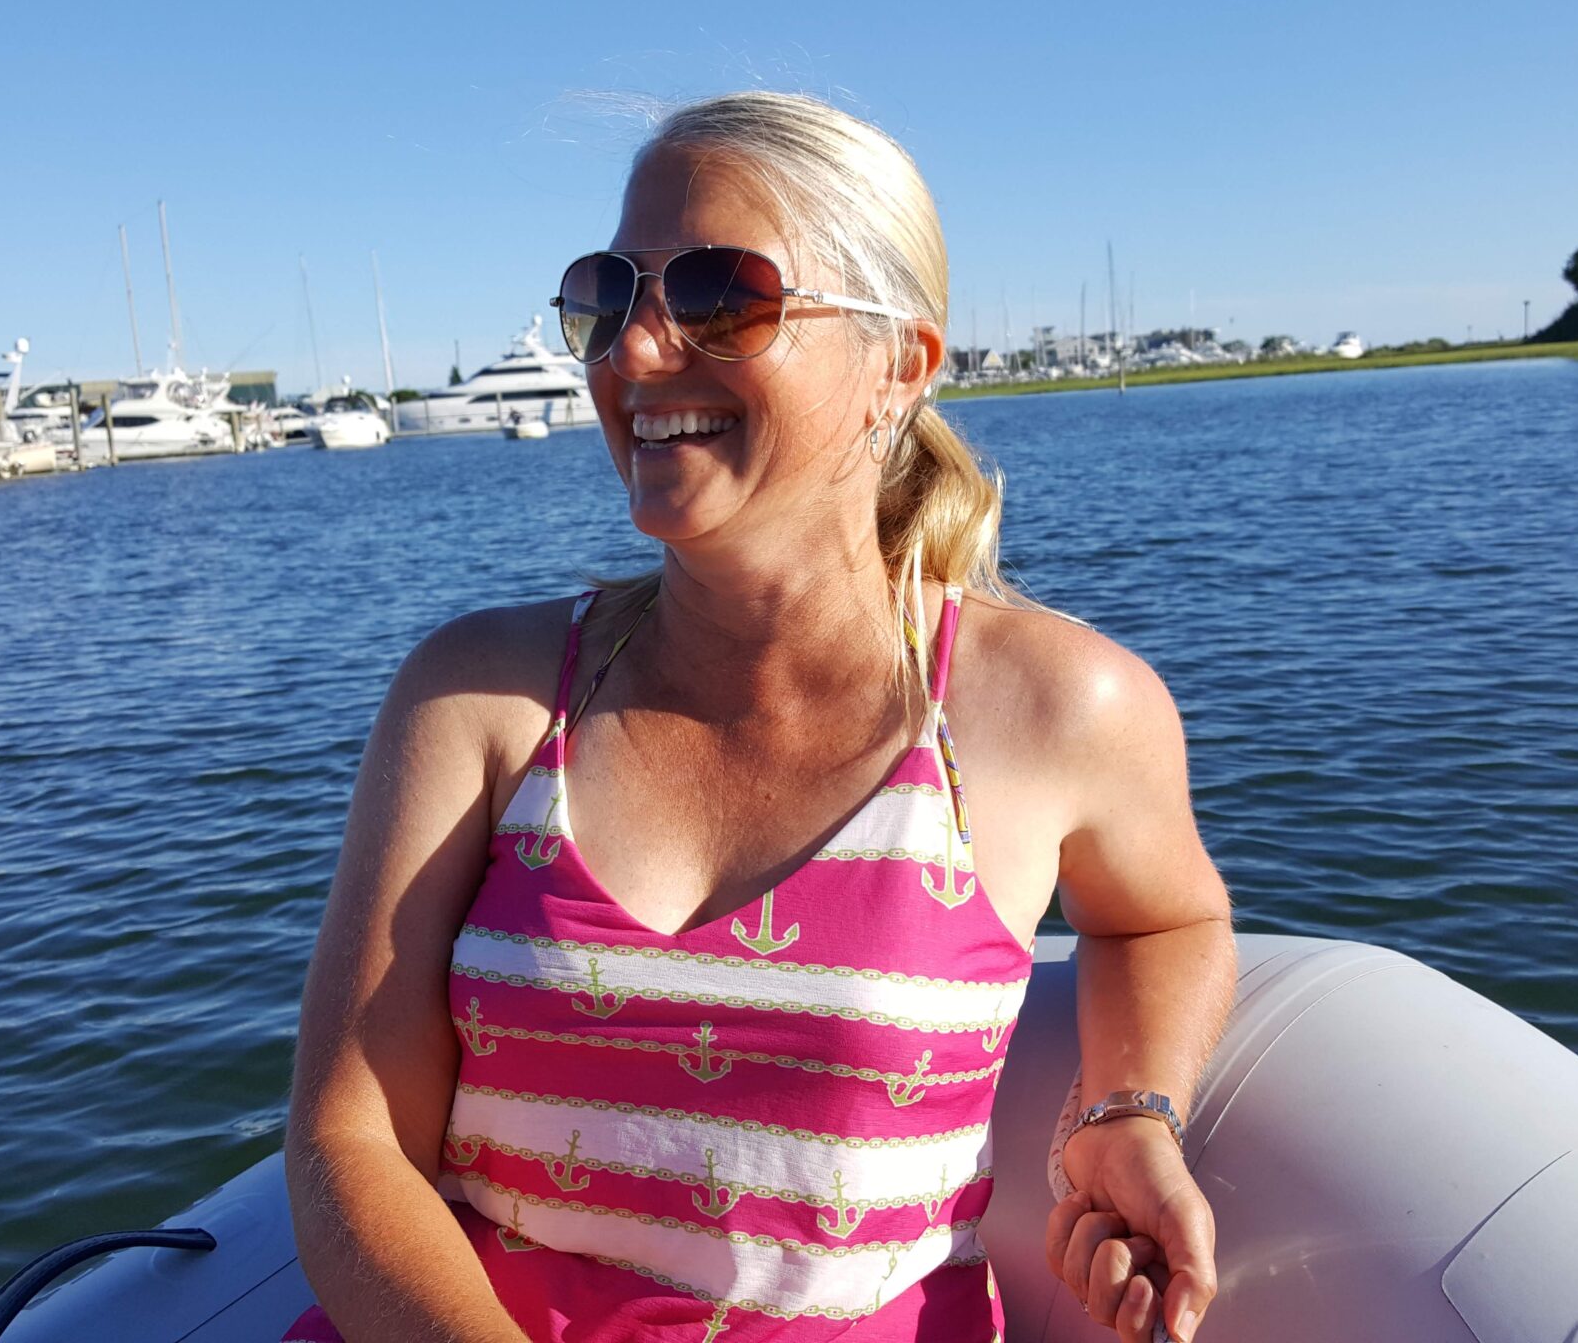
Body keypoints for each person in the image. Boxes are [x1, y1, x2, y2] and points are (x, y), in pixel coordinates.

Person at [284, 91, 1237, 1343]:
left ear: (900, 365)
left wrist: (1128, 1110)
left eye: (720, 296)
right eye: (607, 297)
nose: (633, 353)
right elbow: (348, 1136)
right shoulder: (481, 698)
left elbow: (1165, 915)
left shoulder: (1055, 710)